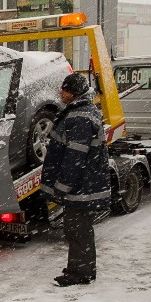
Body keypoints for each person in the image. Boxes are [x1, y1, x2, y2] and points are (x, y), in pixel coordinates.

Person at [40, 73, 111, 287]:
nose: (60, 93)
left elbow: (75, 156)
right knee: (79, 229)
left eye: (63, 89)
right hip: (83, 184)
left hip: (81, 187)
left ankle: (79, 274)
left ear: (73, 92)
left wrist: (62, 186)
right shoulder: (81, 112)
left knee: (76, 229)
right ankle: (82, 269)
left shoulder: (79, 117)